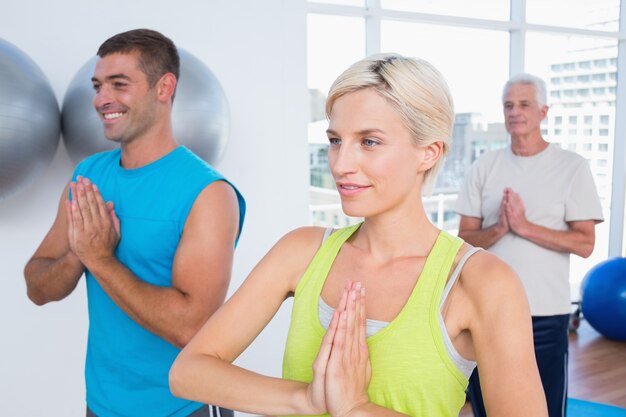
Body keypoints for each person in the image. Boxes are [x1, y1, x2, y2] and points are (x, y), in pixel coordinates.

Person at [168, 54, 548, 417]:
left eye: (369, 141)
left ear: (428, 153)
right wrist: (306, 398)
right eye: (335, 140)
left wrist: (355, 409)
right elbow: (188, 373)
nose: (341, 164)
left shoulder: (479, 283)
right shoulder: (301, 251)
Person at [24, 29, 245, 417]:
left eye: (119, 84)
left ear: (164, 87)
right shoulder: (88, 176)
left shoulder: (208, 194)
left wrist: (101, 259)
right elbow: (37, 286)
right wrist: (81, 255)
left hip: (184, 406)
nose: (101, 99)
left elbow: (190, 328)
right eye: (97, 86)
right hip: (103, 405)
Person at [455, 73, 604, 417]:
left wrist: (524, 227)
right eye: (508, 105)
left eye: (524, 104)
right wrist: (500, 227)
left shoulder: (571, 167)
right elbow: (463, 238)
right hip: (488, 311)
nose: (515, 112)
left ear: (543, 111)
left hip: (545, 314)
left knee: (546, 409)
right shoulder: (485, 166)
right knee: (487, 407)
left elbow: (584, 243)